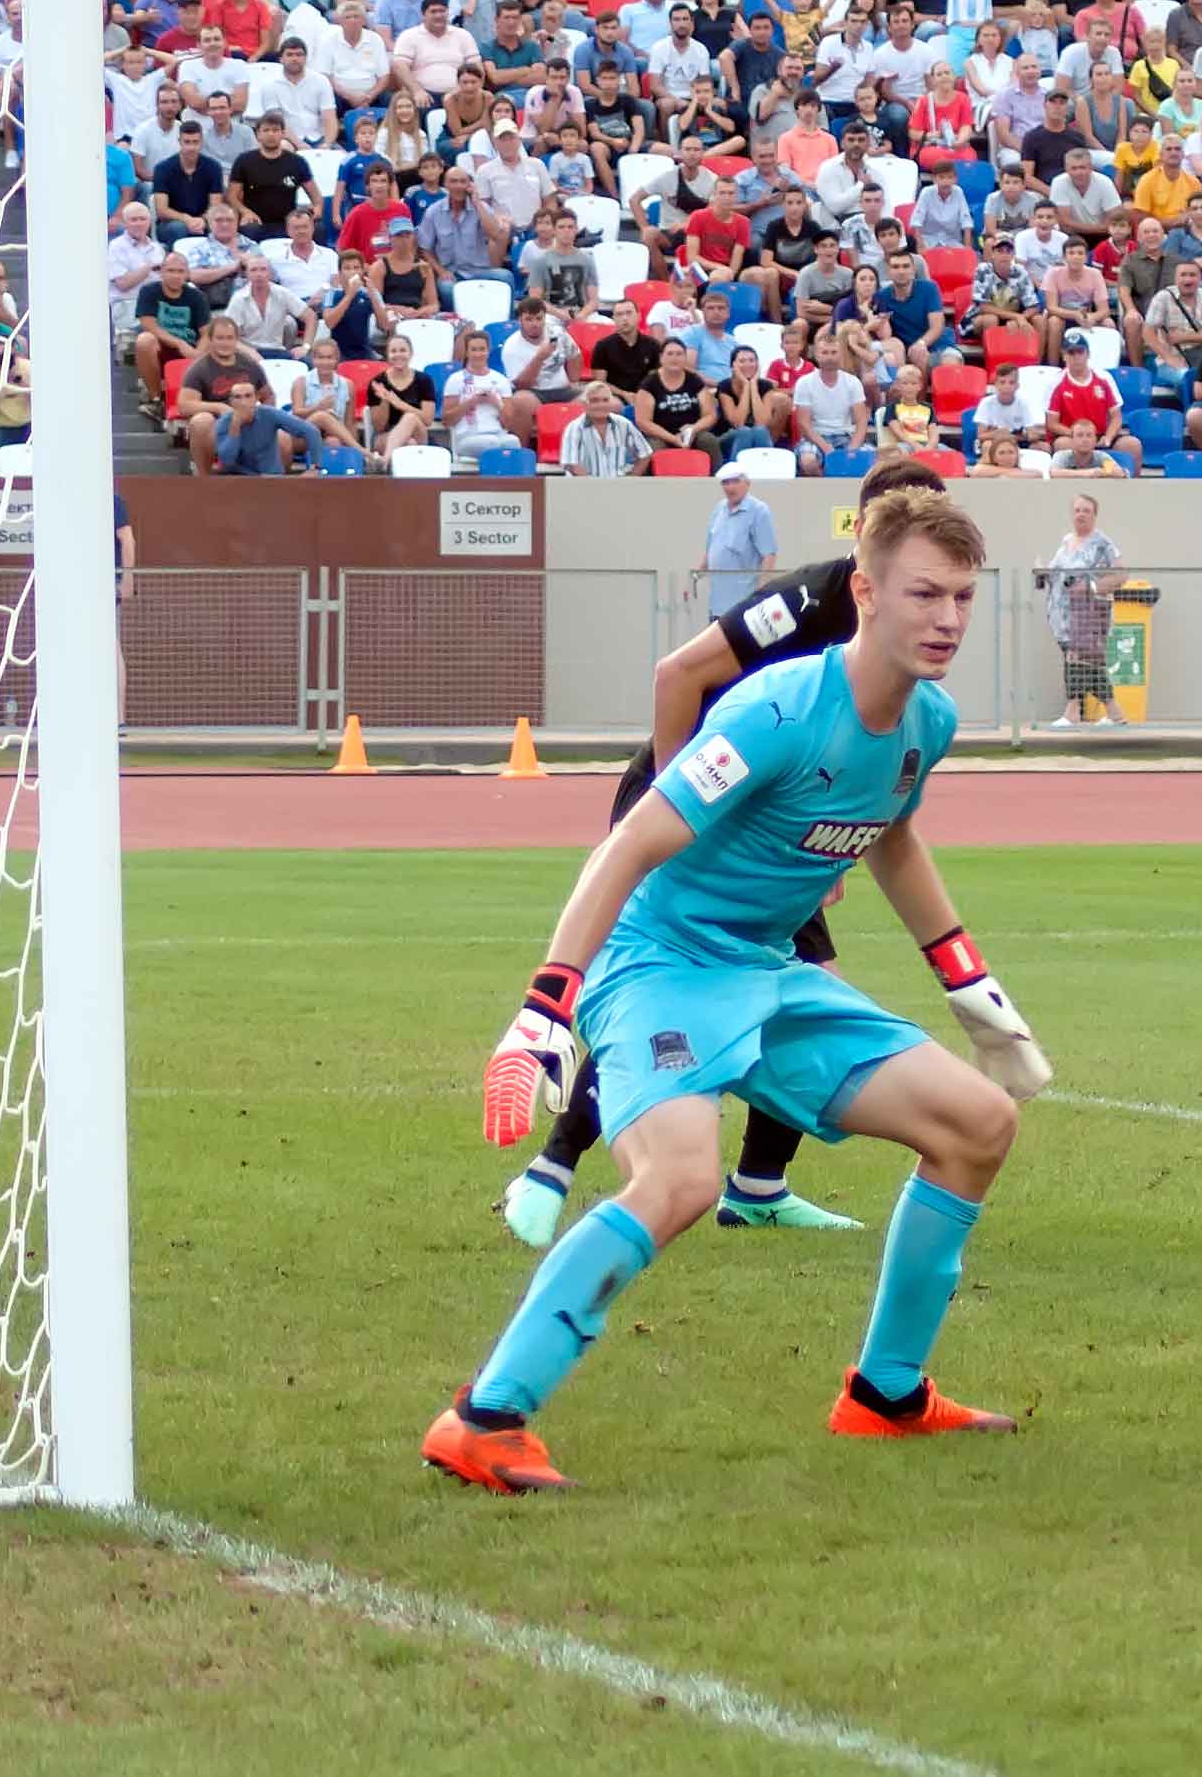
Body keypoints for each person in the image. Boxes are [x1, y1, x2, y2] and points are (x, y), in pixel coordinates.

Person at [424, 486, 1046, 1492]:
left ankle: (883, 1394)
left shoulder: (928, 719)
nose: (946, 620)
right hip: (659, 968)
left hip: (766, 971)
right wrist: (545, 1005)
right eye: (924, 594)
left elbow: (888, 832)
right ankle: (484, 1419)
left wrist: (967, 981)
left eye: (963, 598)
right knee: (679, 1183)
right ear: (864, 592)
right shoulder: (777, 709)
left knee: (976, 1124)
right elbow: (629, 846)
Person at [499, 458, 957, 1249]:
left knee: (799, 988)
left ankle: (754, 1186)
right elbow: (678, 673)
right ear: (869, 546)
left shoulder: (910, 647)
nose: (938, 584)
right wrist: (695, 808)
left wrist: (827, 852)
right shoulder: (810, 599)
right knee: (673, 979)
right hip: (702, 798)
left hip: (780, 813)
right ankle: (558, 1162)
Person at [1038, 492, 1123, 726]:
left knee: (1077, 660)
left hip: (1088, 612)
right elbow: (1056, 568)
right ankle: (1115, 713)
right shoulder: (1066, 541)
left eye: (1086, 510)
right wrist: (1043, 572)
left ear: (1095, 515)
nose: (1081, 515)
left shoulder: (1102, 542)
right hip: (1061, 614)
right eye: (1077, 510)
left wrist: (1092, 586)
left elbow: (1121, 574)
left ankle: (1072, 712)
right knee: (1084, 662)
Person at [702, 463, 779, 611]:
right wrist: (693, 580)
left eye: (735, 481)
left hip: (743, 603)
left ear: (747, 484)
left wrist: (760, 595)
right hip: (716, 603)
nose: (730, 487)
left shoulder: (759, 511)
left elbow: (769, 555)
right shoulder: (718, 509)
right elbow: (709, 551)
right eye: (725, 482)